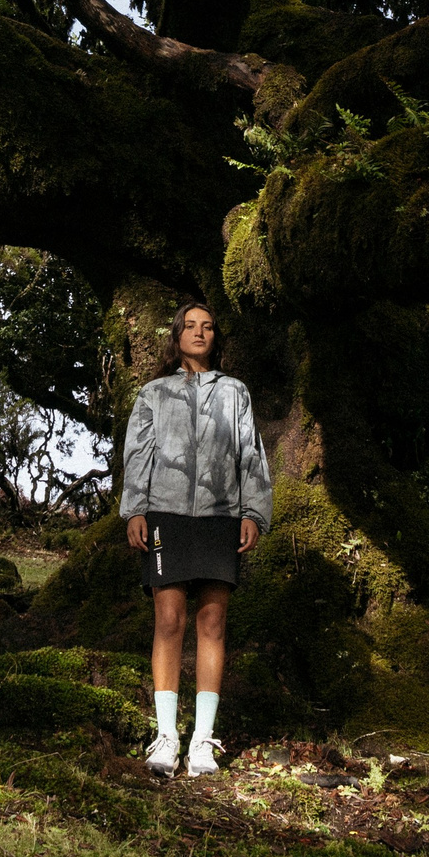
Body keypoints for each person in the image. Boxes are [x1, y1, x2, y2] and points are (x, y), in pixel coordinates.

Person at [121, 301, 271, 778]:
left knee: (213, 623)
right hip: (165, 513)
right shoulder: (153, 394)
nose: (199, 333)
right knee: (168, 619)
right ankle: (166, 736)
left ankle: (201, 741)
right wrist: (135, 510)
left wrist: (252, 513)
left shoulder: (235, 392)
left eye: (207, 327)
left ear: (215, 338)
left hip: (221, 515)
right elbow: (137, 453)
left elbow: (250, 454)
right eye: (190, 326)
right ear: (177, 335)